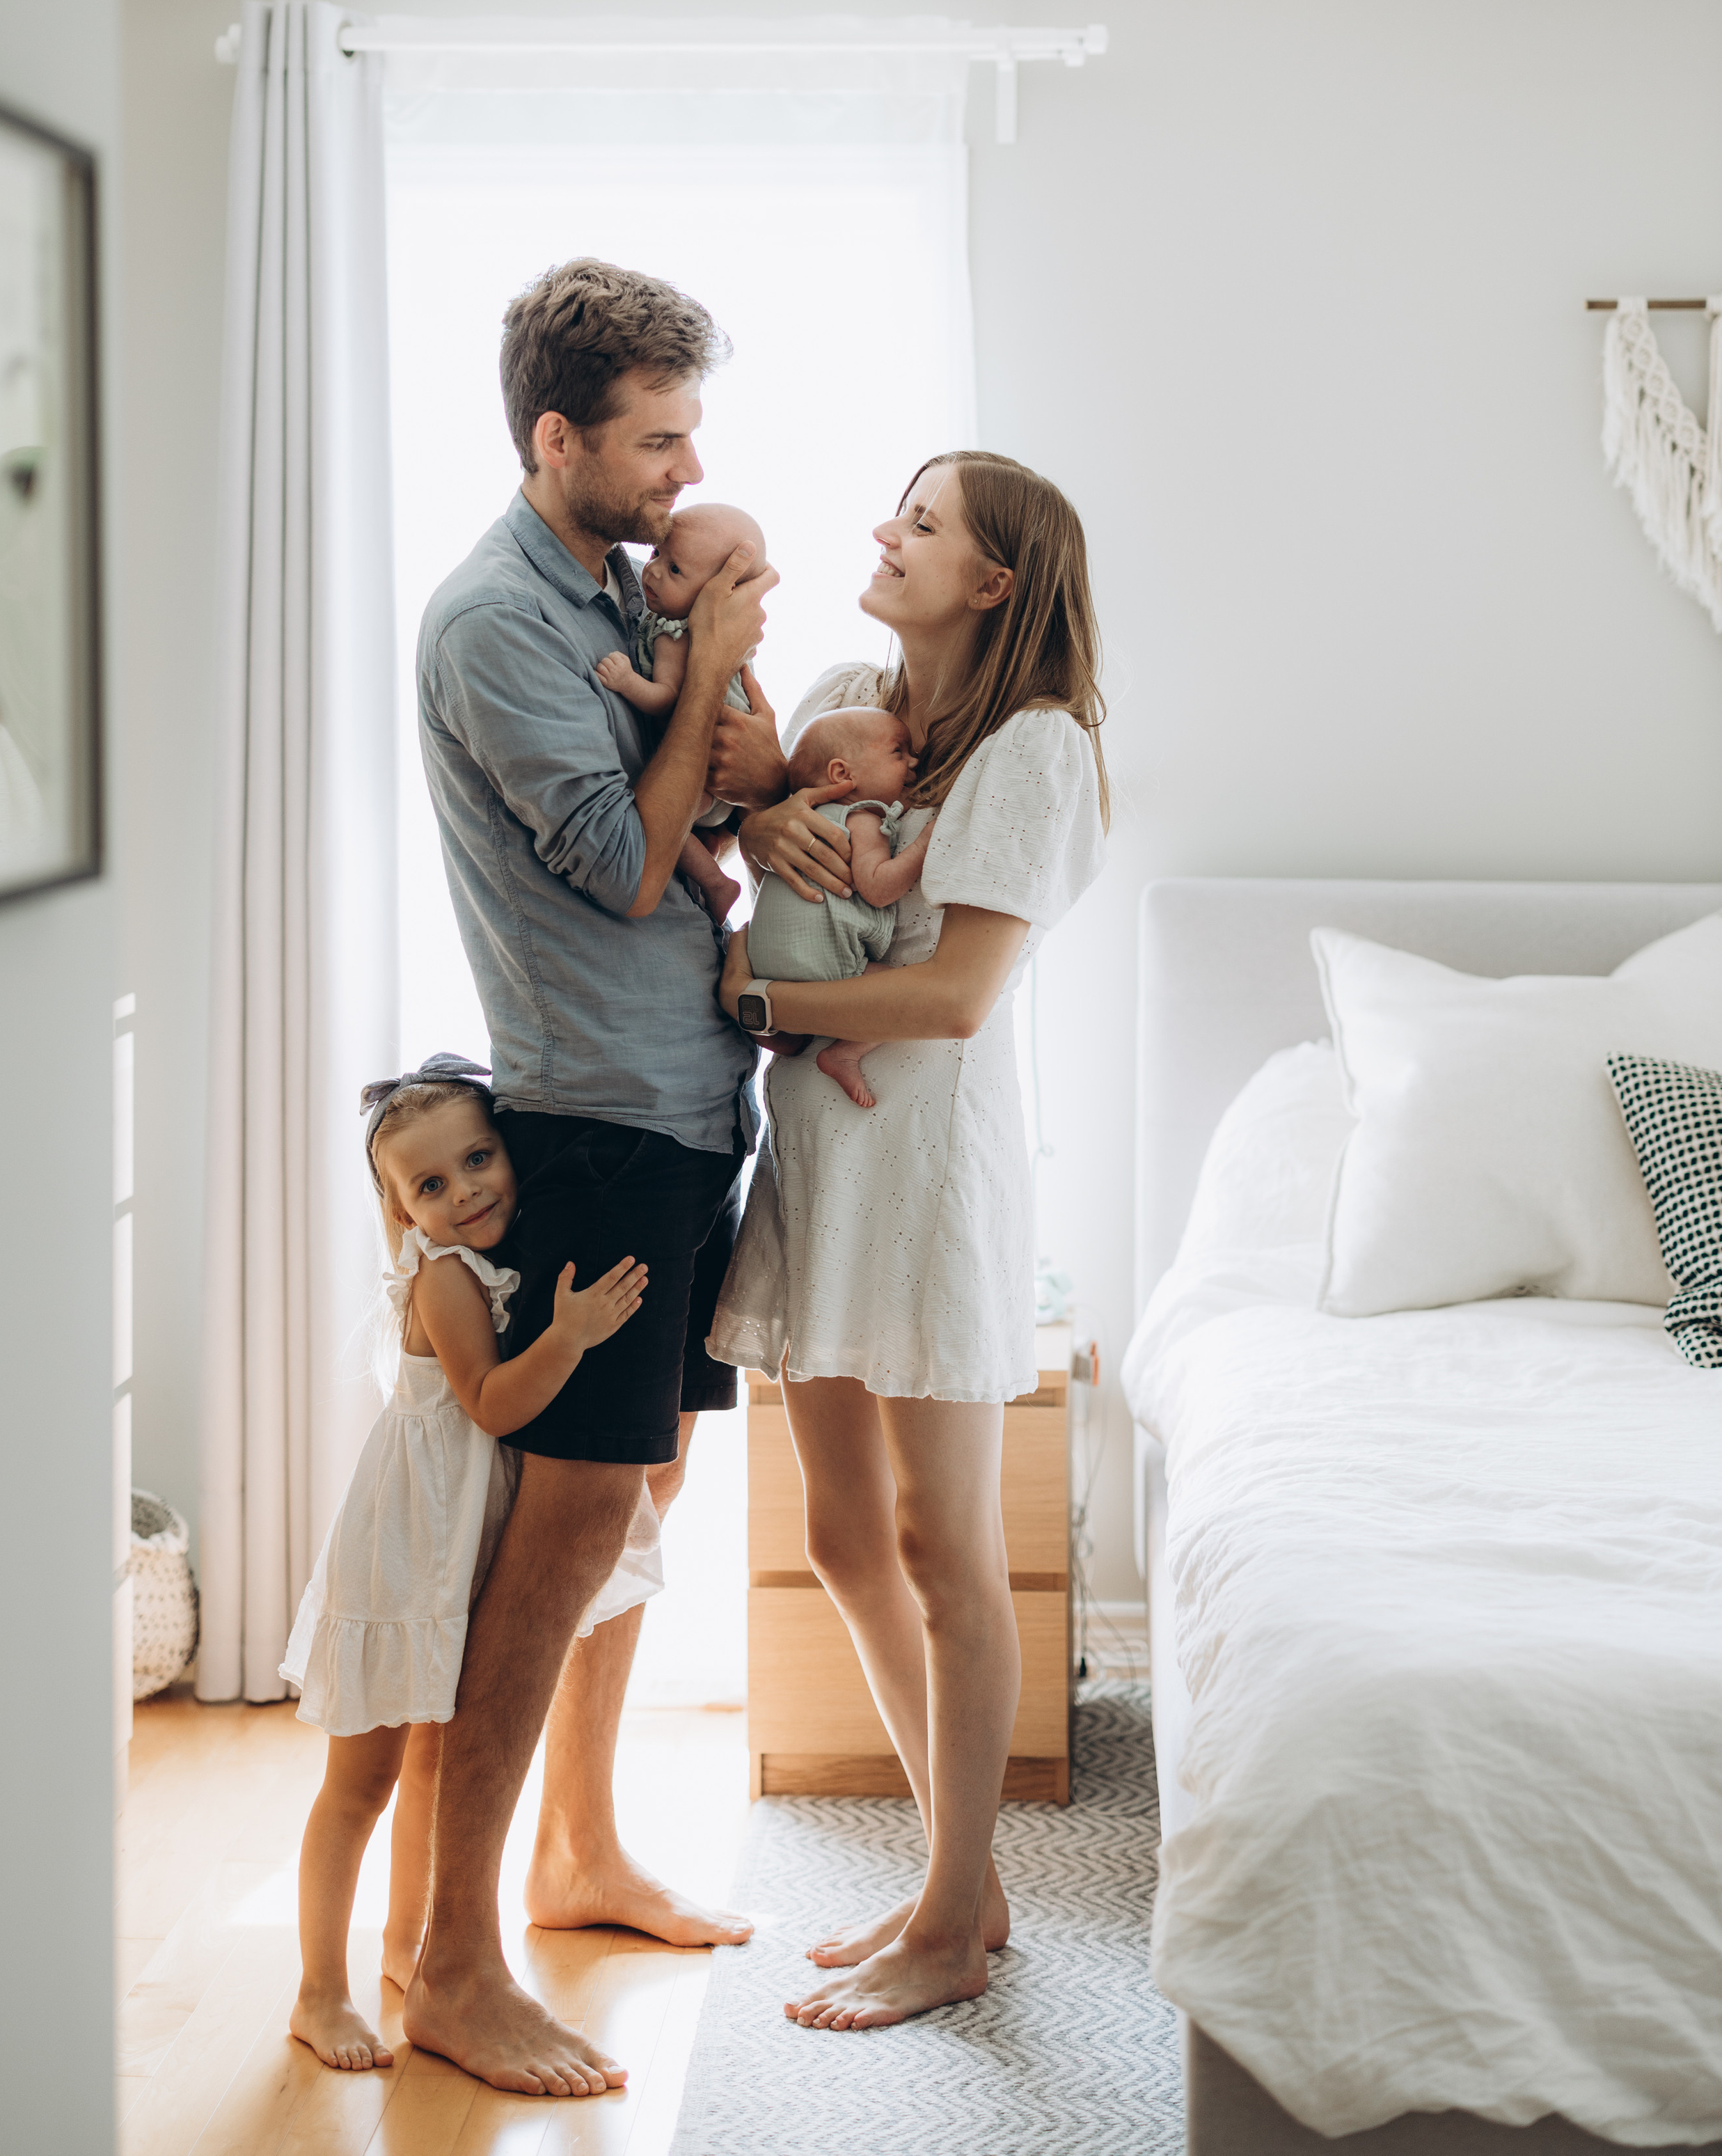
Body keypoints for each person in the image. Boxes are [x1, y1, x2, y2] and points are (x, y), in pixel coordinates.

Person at [405, 257, 773, 2098]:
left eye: (688, 430)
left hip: (694, 1107)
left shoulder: (623, 585)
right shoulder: (495, 625)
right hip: (598, 1126)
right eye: (655, 437)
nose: (683, 466)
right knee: (550, 1558)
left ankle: (583, 1851)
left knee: (637, 1519)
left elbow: (696, 818)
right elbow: (628, 873)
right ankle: (451, 1963)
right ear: (556, 438)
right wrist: (706, 681)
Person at [711, 448, 1109, 2032]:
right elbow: (756, 834)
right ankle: (962, 1877)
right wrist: (764, 819)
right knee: (840, 1537)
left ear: (994, 580)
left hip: (930, 1174)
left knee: (946, 1547)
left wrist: (753, 1001)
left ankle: (950, 1913)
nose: (884, 531)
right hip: (815, 1157)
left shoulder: (1035, 750)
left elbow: (950, 998)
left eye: (923, 521)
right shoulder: (834, 690)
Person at [282, 1056, 651, 2072]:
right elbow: (491, 1405)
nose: (467, 1191)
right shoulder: (443, 1279)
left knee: (437, 1761)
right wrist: (571, 1339)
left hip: (451, 1545)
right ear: (401, 1213)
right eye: (431, 1187)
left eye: (478, 1159)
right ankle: (319, 1990)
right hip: (405, 1555)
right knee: (361, 1779)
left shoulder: (495, 1257)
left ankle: (412, 1947)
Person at [743, 708, 933, 1107]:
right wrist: (927, 843)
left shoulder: (798, 823)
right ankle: (843, 1053)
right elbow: (879, 888)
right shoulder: (862, 816)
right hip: (821, 965)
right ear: (842, 775)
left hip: (764, 964)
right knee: (901, 994)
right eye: (899, 752)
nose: (913, 762)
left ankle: (785, 1033)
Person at [596, 498, 768, 922]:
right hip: (722, 780)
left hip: (712, 773)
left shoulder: (674, 633)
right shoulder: (690, 622)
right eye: (658, 553)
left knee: (655, 827)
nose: (651, 570)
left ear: (717, 594)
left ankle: (715, 882)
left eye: (675, 570)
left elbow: (666, 696)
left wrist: (626, 682)